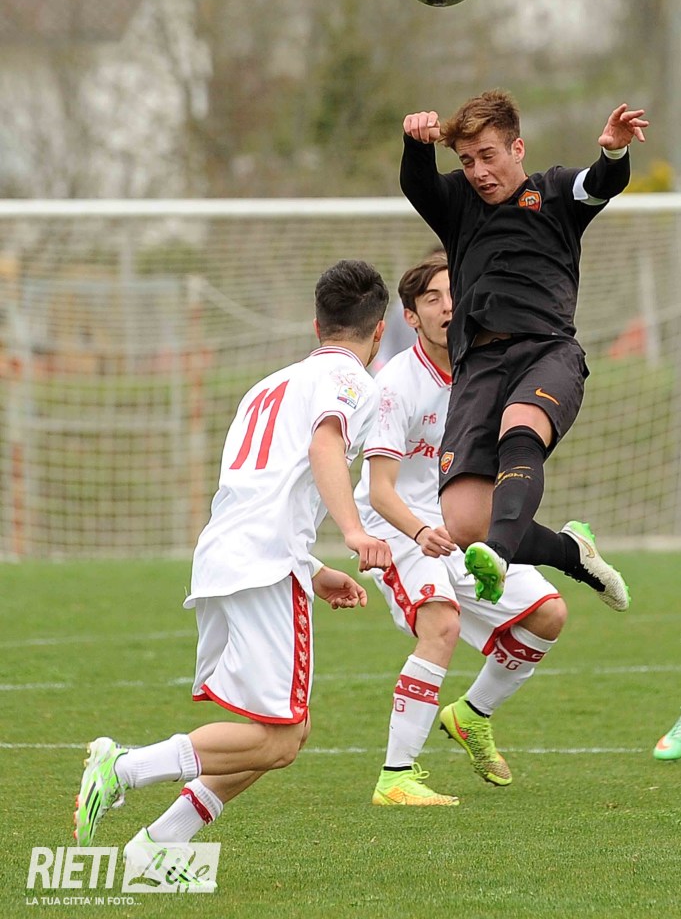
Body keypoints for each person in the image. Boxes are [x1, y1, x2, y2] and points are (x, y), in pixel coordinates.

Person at [73, 259, 392, 884]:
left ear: (316, 324)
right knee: (280, 739)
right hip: (263, 567)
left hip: (227, 557)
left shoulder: (267, 386)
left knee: (280, 734)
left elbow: (261, 490)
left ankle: (158, 846)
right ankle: (123, 767)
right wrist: (355, 532)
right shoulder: (353, 380)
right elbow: (325, 444)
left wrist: (314, 568)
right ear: (379, 331)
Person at [399, 90, 648, 608]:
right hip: (477, 367)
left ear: (518, 148)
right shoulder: (458, 204)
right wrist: (416, 143)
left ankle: (498, 552)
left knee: (521, 427)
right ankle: (571, 552)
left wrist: (614, 151)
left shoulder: (553, 192)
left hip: (546, 353)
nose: (478, 171)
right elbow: (418, 184)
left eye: (488, 156)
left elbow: (599, 183)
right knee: (465, 521)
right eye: (467, 160)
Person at [355, 252, 567, 805]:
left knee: (548, 614)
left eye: (456, 294)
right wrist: (419, 533)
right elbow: (380, 490)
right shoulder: (393, 385)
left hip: (460, 526)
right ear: (411, 316)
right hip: (400, 528)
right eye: (433, 299)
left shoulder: (491, 371)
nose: (449, 308)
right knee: (441, 623)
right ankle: (395, 777)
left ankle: (472, 714)